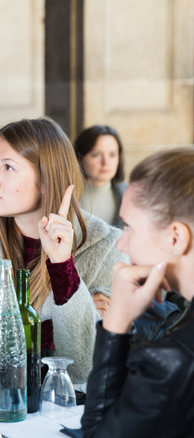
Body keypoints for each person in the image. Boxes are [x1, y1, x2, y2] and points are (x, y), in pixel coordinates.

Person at [0, 118, 126, 384]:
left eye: (8, 167)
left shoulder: (107, 246)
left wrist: (62, 266)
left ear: (46, 180)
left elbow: (82, 364)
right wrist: (43, 338)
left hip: (66, 413)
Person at [81, 147, 194, 437]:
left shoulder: (169, 361)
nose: (121, 244)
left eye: (129, 227)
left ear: (176, 237)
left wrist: (115, 325)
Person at [73, 125, 127, 228]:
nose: (105, 162)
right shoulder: (65, 197)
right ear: (80, 158)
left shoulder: (130, 196)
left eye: (112, 155)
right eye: (96, 155)